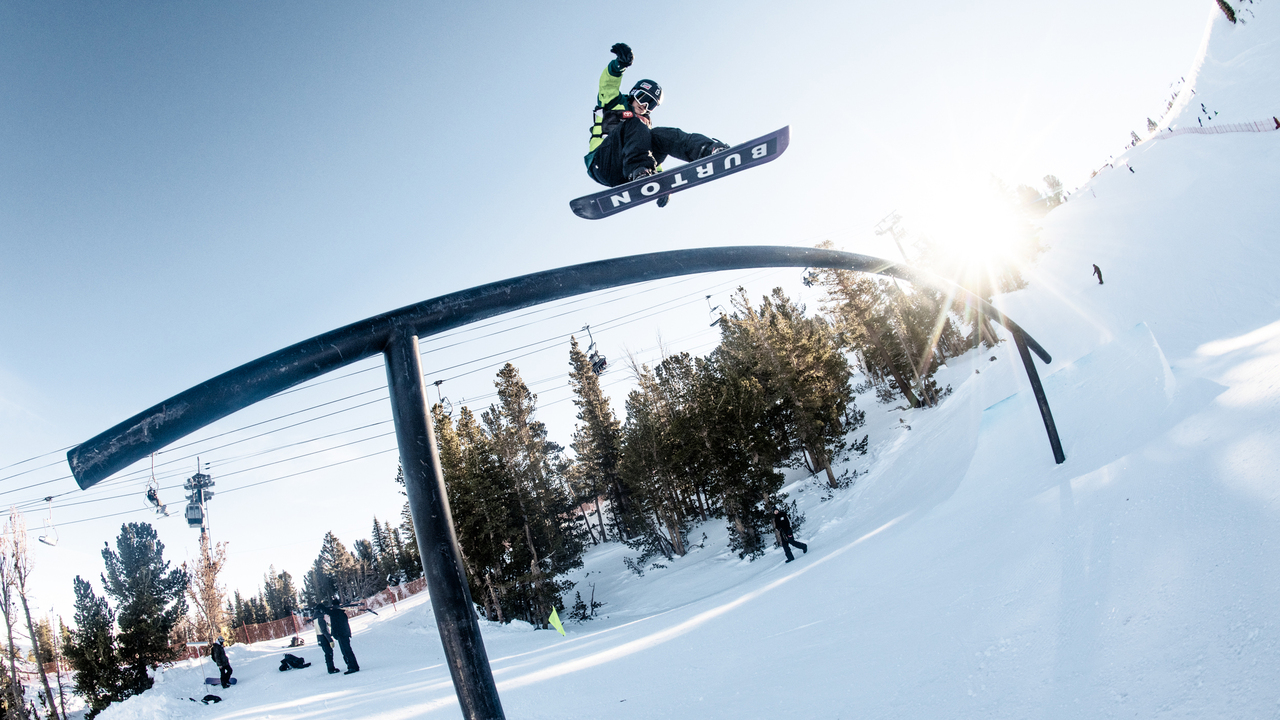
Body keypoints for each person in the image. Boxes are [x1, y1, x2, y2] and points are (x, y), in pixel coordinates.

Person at [584, 43, 730, 201]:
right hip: (603, 163)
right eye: (642, 98)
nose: (644, 106)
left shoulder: (644, 125)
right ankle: (639, 170)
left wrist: (660, 183)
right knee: (633, 122)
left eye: (650, 104)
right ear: (633, 93)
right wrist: (619, 65)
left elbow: (648, 153)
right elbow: (608, 84)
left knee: (661, 134)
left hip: (629, 173)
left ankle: (707, 150)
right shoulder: (613, 102)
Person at [324, 597, 360, 675]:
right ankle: (354, 666)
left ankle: (352, 667)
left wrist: (323, 608)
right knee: (348, 651)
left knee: (346, 651)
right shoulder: (339, 613)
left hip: (342, 635)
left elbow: (330, 613)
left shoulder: (337, 613)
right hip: (343, 634)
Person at [313, 602, 340, 674]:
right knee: (329, 653)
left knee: (327, 653)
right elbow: (324, 630)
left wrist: (327, 624)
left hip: (320, 637)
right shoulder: (320, 618)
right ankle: (331, 668)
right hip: (323, 637)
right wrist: (330, 640)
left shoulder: (316, 617)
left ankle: (330, 668)